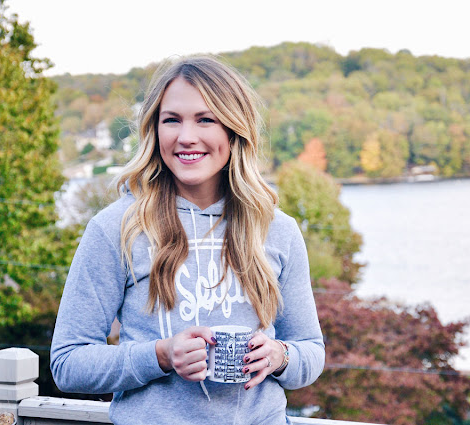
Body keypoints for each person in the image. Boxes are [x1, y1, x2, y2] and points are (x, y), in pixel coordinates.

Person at [50, 56, 325, 425]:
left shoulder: (277, 229)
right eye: (172, 120)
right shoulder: (116, 227)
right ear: (155, 129)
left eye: (205, 119)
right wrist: (160, 355)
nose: (186, 136)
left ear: (233, 130)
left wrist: (281, 356)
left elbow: (311, 350)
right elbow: (67, 362)